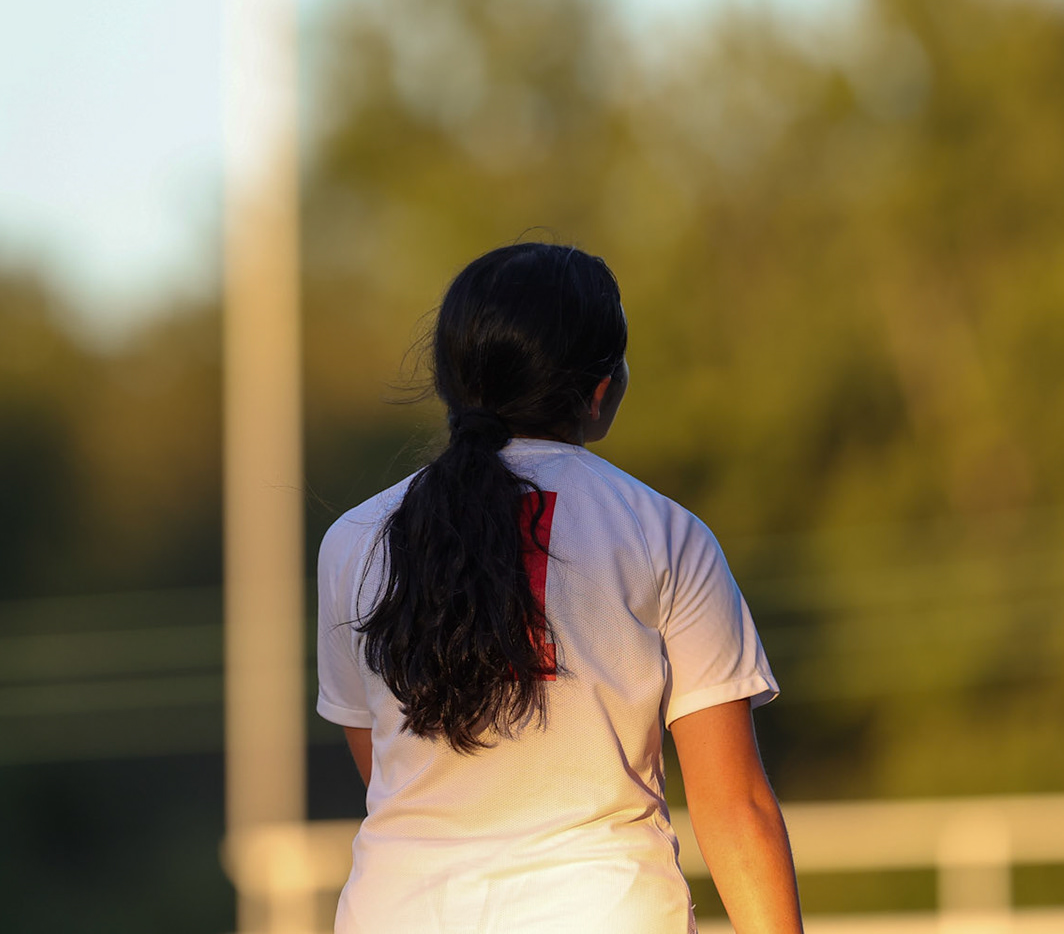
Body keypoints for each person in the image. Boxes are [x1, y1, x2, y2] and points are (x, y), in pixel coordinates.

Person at [316, 241, 803, 933]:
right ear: (601, 390)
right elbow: (734, 807)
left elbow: (388, 771)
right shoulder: (663, 532)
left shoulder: (355, 540)